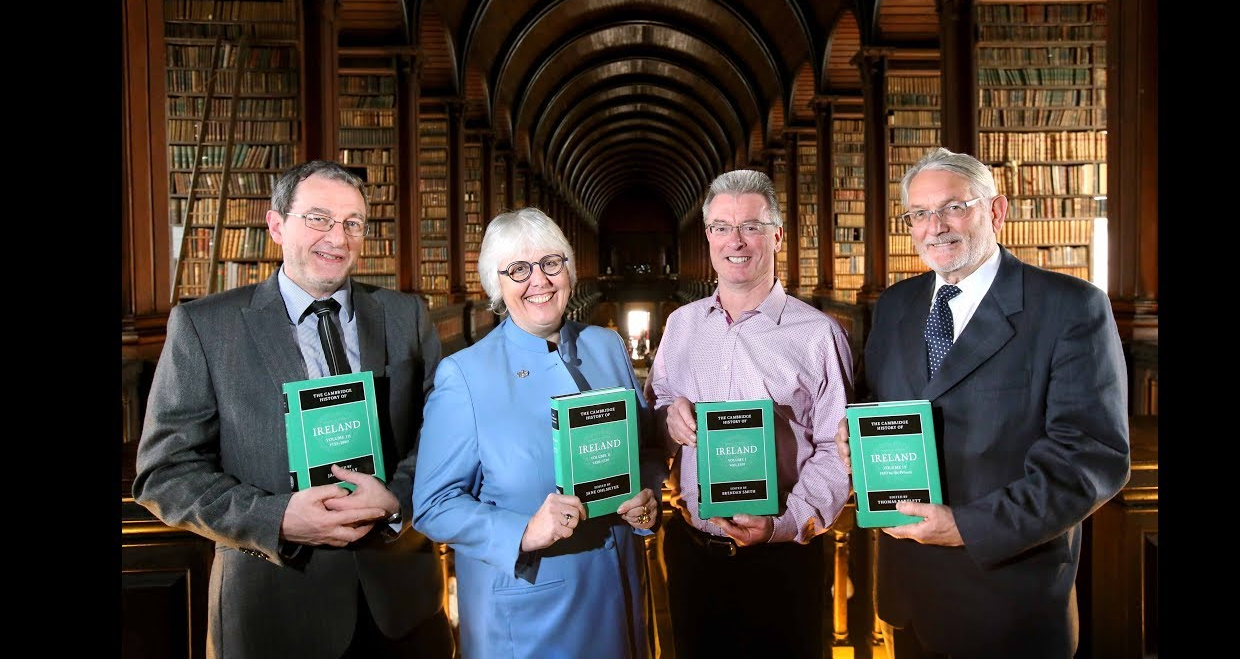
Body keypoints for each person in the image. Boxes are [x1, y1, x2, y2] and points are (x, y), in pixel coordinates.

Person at [133, 160, 455, 659]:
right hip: (273, 611)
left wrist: (396, 500)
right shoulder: (205, 326)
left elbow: (444, 434)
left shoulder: (406, 314)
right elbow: (164, 473)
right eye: (318, 218)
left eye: (352, 223)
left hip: (403, 608)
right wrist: (277, 517)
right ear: (276, 225)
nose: (337, 237)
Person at [861, 147, 1130, 658]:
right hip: (910, 590)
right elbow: (883, 404)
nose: (935, 227)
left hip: (1007, 599)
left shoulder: (1070, 307)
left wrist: (966, 527)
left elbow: (1090, 460)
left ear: (997, 211)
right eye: (919, 214)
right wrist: (854, 438)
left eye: (953, 207)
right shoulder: (895, 304)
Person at [412, 207, 664, 659]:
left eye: (551, 262)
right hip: (530, 620)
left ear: (569, 269)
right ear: (497, 284)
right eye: (519, 269)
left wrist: (648, 496)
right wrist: (523, 531)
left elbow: (644, 448)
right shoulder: (464, 375)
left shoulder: (607, 346)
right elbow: (433, 506)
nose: (539, 281)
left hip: (621, 594)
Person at [649, 169, 855, 659]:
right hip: (693, 555)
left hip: (783, 562)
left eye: (751, 227)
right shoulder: (681, 326)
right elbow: (658, 409)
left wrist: (785, 522)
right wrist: (668, 420)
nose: (735, 241)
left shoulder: (818, 334)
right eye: (722, 227)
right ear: (708, 236)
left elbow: (839, 450)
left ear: (778, 235)